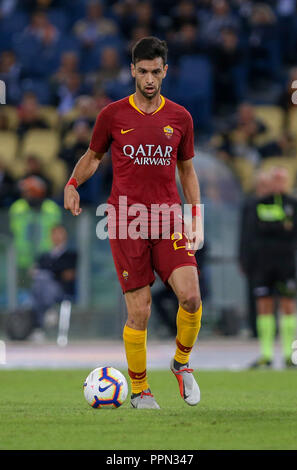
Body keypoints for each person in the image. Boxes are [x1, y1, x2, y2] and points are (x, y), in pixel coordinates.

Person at [64, 37, 203, 409]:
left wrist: (195, 215)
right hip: (127, 221)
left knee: (191, 297)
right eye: (142, 71)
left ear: (165, 71)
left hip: (168, 219)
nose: (149, 79)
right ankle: (141, 390)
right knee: (138, 311)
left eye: (156, 71)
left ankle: (181, 363)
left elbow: (186, 171)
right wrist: (74, 183)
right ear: (132, 71)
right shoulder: (112, 115)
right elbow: (93, 156)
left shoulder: (180, 118)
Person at [248, 166, 297, 368]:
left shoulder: (294, 204)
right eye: (275, 179)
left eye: (282, 179)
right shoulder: (259, 204)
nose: (278, 183)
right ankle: (266, 355)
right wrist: (281, 226)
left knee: (288, 305)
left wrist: (274, 227)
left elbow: (295, 231)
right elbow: (256, 230)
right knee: (264, 306)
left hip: (286, 262)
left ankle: (290, 355)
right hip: (263, 264)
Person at [239, 168, 273, 338]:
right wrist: (242, 258)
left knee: (271, 296)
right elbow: (244, 233)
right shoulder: (249, 204)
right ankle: (255, 329)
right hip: (253, 258)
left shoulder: (274, 204)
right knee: (254, 295)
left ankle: (272, 329)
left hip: (272, 258)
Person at [30, 224, 77, 338]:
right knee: (41, 281)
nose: (57, 237)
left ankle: (39, 325)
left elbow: (68, 275)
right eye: (54, 234)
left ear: (65, 236)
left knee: (42, 279)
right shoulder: (44, 255)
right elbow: (33, 271)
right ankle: (49, 310)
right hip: (44, 289)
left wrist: (49, 272)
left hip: (62, 290)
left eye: (59, 233)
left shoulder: (71, 255)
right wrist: (55, 271)